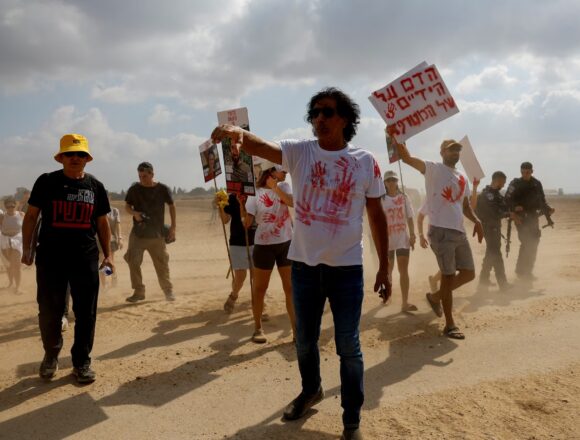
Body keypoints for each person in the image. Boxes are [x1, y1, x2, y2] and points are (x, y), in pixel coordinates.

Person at [212, 87, 391, 440]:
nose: (319, 119)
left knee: (348, 346)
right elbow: (261, 147)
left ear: (345, 119)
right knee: (305, 341)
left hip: (347, 270)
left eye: (327, 112)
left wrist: (384, 266)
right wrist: (237, 134)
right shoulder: (299, 152)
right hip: (305, 267)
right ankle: (311, 391)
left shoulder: (365, 161)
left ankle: (351, 419)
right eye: (315, 114)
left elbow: (376, 215)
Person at [21, 133, 114, 383]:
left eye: (80, 154)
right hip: (51, 257)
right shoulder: (47, 182)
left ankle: (82, 362)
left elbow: (102, 223)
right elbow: (31, 217)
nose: (75, 158)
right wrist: (27, 249)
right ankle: (51, 355)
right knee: (49, 310)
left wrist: (109, 255)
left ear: (87, 159)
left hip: (85, 258)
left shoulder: (95, 186)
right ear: (61, 157)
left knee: (86, 312)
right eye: (70, 154)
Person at [393, 135, 483, 340]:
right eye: (451, 149)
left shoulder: (462, 177)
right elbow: (407, 159)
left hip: (459, 231)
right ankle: (450, 324)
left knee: (469, 273)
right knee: (449, 276)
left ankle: (435, 297)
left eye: (457, 150)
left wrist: (476, 220)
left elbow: (465, 206)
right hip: (440, 231)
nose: (455, 153)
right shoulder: (433, 168)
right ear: (442, 152)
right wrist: (397, 138)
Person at [244, 162, 295, 343]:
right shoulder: (254, 195)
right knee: (259, 289)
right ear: (271, 172)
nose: (286, 172)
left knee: (290, 288)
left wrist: (276, 188)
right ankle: (258, 328)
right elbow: (247, 224)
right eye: (283, 170)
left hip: (286, 244)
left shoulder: (284, 187)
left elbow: (291, 202)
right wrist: (240, 205)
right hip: (263, 247)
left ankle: (296, 331)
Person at [124, 162, 176, 302]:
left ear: (152, 174)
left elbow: (172, 206)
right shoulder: (134, 189)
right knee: (132, 261)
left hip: (157, 235)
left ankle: (168, 291)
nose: (142, 179)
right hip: (138, 234)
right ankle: (139, 291)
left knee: (161, 263)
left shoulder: (162, 189)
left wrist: (173, 228)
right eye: (140, 176)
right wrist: (134, 213)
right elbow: (127, 206)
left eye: (145, 176)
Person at [505, 162, 555, 281]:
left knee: (534, 242)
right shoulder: (515, 183)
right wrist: (515, 207)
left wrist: (548, 210)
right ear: (520, 172)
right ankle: (521, 271)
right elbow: (507, 199)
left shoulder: (536, 184)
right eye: (523, 172)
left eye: (527, 172)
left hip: (533, 217)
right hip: (520, 218)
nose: (525, 174)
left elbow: (542, 200)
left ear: (532, 171)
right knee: (526, 242)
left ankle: (528, 271)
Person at [381, 170, 417, 312]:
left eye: (394, 180)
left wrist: (413, 234)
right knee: (388, 270)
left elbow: (409, 217)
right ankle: (387, 295)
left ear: (397, 182)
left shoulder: (404, 197)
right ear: (384, 183)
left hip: (403, 239)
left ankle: (404, 302)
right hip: (387, 240)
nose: (391, 182)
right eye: (388, 180)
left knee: (403, 271)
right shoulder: (381, 199)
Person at [219, 192, 257, 313]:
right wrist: (220, 205)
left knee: (256, 275)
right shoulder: (231, 197)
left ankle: (258, 300)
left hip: (256, 240)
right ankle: (234, 295)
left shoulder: (255, 194)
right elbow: (225, 220)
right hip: (236, 242)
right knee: (240, 276)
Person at [475, 171, 512, 290]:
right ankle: (503, 284)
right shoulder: (488, 195)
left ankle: (483, 281)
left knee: (491, 253)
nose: (504, 185)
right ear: (497, 180)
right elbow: (495, 213)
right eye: (503, 182)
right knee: (496, 254)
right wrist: (508, 214)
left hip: (494, 228)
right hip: (489, 228)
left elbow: (505, 206)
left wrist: (512, 210)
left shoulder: (496, 194)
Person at [0, 197, 25, 294]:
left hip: (17, 240)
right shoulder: (2, 217)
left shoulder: (21, 215)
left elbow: (29, 226)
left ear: (15, 205)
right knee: (9, 265)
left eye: (12, 205)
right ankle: (11, 283)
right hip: (5, 241)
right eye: (8, 206)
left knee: (17, 265)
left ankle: (18, 287)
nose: (10, 207)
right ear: (5, 206)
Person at [416, 202, 441, 293]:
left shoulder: (453, 196)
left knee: (449, 265)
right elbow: (420, 218)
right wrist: (421, 236)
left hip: (451, 238)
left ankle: (434, 281)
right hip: (435, 238)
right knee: (448, 265)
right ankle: (437, 285)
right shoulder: (431, 196)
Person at [99, 194, 122, 289]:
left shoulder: (114, 211)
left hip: (111, 239)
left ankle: (113, 277)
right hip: (98, 240)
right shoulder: (97, 210)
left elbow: (118, 225)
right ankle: (104, 285)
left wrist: (120, 238)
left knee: (110, 261)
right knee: (102, 262)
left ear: (109, 199)